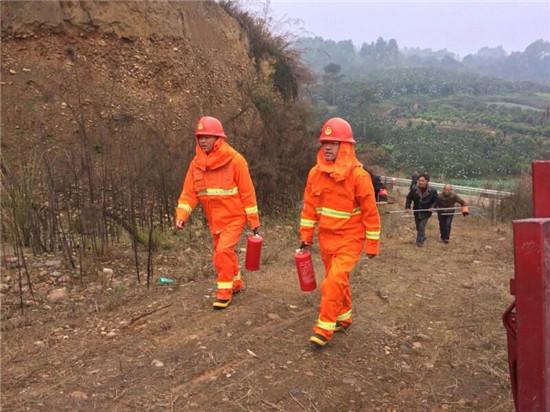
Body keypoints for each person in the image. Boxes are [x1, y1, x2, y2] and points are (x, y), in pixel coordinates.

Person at [299, 117, 381, 348]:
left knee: (332, 281)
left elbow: (370, 212)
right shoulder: (315, 174)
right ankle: (344, 316)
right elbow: (308, 209)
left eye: (333, 143)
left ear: (345, 147)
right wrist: (306, 236)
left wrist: (372, 244)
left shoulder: (359, 177)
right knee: (337, 280)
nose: (327, 147)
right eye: (325, 142)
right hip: (326, 240)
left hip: (350, 239)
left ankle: (324, 328)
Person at [175, 116, 260, 309]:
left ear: (218, 138)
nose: (203, 141)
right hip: (214, 219)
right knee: (224, 252)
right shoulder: (196, 164)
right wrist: (181, 215)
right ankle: (236, 282)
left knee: (222, 252)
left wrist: (253, 221)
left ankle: (224, 292)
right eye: (200, 137)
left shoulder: (236, 160)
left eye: (207, 136)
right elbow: (189, 193)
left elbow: (248, 193)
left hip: (234, 217)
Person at [405, 173, 438, 247]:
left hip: (426, 211)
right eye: (419, 180)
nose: (420, 182)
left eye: (422, 181)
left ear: (427, 181)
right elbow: (409, 198)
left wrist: (432, 207)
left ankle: (419, 242)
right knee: (418, 226)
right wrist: (407, 207)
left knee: (421, 226)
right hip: (417, 210)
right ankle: (422, 236)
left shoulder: (432, 190)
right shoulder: (414, 189)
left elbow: (436, 200)